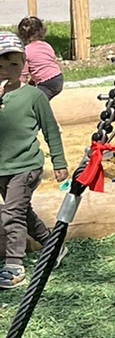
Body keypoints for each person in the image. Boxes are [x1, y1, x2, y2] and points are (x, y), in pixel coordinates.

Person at [0, 30, 66, 290]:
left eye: (13, 64)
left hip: (26, 166)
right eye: (0, 64)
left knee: (12, 213)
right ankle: (53, 246)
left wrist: (59, 162)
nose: (6, 70)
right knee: (22, 212)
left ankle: (14, 265)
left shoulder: (34, 96)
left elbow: (51, 129)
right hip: (3, 167)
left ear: (23, 66)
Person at [17, 17, 64, 100]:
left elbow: (24, 73)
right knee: (42, 99)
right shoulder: (46, 45)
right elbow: (49, 63)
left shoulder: (26, 51)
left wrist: (20, 87)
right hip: (58, 78)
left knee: (35, 101)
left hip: (45, 82)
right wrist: (32, 81)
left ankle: (43, 112)